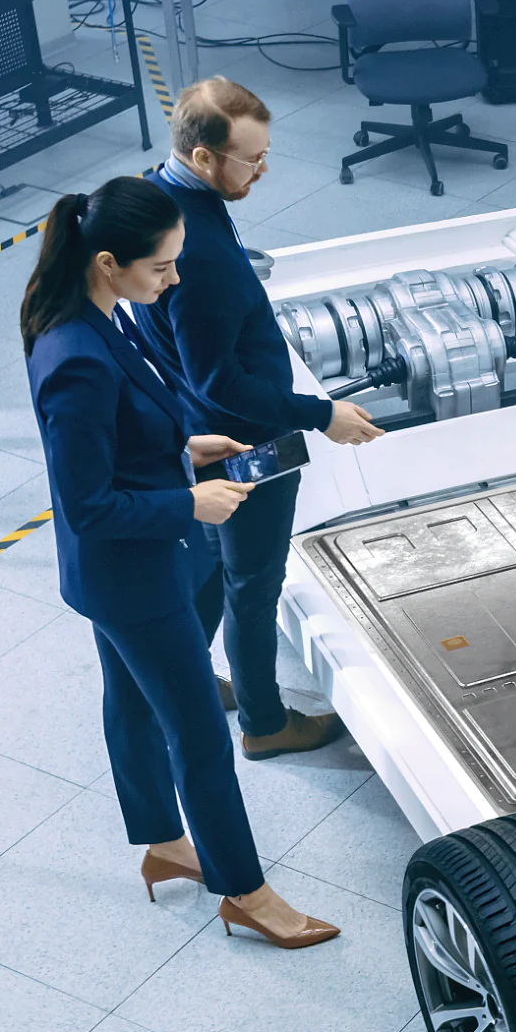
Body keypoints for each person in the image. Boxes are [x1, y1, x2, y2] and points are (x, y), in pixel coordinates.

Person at [23, 177, 339, 949]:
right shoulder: (76, 358)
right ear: (108, 262)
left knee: (130, 703)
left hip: (116, 576)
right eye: (162, 268)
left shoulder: (99, 319)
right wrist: (189, 503)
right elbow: (88, 502)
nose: (172, 281)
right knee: (199, 738)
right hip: (136, 578)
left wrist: (184, 448)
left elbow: (121, 434)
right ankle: (246, 892)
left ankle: (164, 845)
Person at [132, 76, 383, 761]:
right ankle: (266, 725)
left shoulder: (161, 199)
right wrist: (320, 413)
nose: (263, 168)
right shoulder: (201, 256)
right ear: (206, 156)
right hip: (244, 439)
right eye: (252, 158)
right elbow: (222, 380)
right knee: (252, 584)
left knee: (214, 565)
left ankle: (186, 682)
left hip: (199, 427)